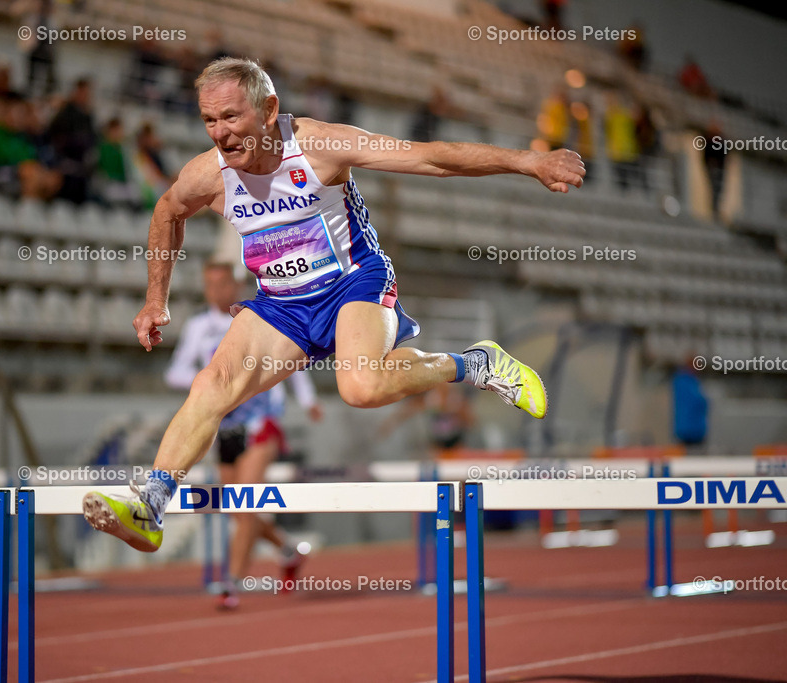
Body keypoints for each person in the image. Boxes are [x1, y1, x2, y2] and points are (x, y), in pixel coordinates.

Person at [83, 57, 584, 553]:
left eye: (232, 117)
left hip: (354, 284)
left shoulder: (320, 145)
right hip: (282, 307)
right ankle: (151, 503)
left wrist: (529, 161)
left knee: (361, 387)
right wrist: (156, 300)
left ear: (268, 107)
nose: (220, 134)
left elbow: (431, 157)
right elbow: (167, 211)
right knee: (212, 384)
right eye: (209, 121)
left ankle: (475, 363)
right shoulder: (208, 174)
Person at [165, 261, 321, 609]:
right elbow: (174, 371)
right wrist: (209, 383)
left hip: (262, 422)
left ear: (235, 286)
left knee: (246, 502)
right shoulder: (198, 327)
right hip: (225, 425)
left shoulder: (257, 315)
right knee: (233, 507)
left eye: (221, 284)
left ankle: (230, 582)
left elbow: (292, 357)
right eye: (208, 284)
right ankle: (288, 550)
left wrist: (308, 400)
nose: (215, 291)